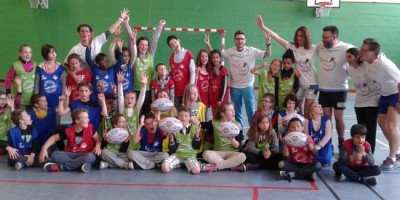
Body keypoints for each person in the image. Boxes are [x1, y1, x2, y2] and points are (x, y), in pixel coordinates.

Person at [204, 31, 271, 127]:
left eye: (242, 39)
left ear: (245, 40)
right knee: (237, 113)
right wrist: (209, 45)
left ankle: (252, 135)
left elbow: (267, 54)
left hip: (248, 87)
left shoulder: (251, 50)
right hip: (234, 87)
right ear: (234, 40)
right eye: (238, 39)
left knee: (250, 113)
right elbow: (216, 56)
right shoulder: (229, 52)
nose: (240, 41)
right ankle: (240, 135)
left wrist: (268, 44)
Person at [256, 15, 317, 113]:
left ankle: (307, 127)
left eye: (301, 35)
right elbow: (276, 37)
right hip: (300, 83)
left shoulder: (313, 48)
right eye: (297, 35)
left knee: (307, 110)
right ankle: (300, 126)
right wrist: (263, 27)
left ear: (306, 36)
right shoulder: (292, 46)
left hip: (312, 83)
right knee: (298, 109)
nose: (299, 38)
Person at [360, 38, 400, 170]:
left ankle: (392, 157)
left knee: (391, 125)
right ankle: (397, 150)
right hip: (384, 94)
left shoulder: (385, 64)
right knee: (382, 123)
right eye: (361, 49)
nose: (362, 52)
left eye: (364, 50)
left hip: (395, 93)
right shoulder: (367, 62)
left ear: (373, 53)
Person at [316, 25, 354, 148]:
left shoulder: (346, 47)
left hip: (340, 90)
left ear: (334, 37)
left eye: (326, 37)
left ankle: (341, 142)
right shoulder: (320, 46)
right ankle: (328, 143)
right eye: (323, 36)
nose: (323, 39)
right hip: (323, 90)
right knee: (326, 119)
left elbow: (361, 57)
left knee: (339, 119)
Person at [39, 108, 102, 173]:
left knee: (91, 157)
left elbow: (97, 139)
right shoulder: (68, 131)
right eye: (85, 118)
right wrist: (44, 149)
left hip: (85, 154)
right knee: (55, 155)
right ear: (77, 121)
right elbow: (54, 138)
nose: (88, 120)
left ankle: (61, 167)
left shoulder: (91, 128)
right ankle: (81, 165)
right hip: (71, 153)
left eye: (87, 117)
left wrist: (97, 146)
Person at [64, 8, 129, 66]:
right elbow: (66, 64)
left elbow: (109, 31)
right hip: (85, 78)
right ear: (79, 34)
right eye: (82, 31)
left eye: (87, 31)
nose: (85, 33)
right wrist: (75, 76)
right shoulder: (75, 49)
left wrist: (120, 19)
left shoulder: (97, 40)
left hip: (98, 74)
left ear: (91, 33)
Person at [195, 102, 247, 173]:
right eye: (230, 110)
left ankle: (215, 167)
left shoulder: (237, 125)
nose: (233, 112)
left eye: (233, 110)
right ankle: (232, 166)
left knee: (242, 156)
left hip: (232, 153)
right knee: (206, 154)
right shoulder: (214, 123)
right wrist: (189, 116)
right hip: (218, 153)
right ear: (222, 113)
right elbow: (200, 124)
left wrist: (232, 140)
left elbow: (238, 146)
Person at [346, 47, 379, 154]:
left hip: (372, 101)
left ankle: (370, 153)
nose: (348, 59)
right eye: (346, 57)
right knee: (361, 131)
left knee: (370, 131)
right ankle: (360, 153)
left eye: (350, 57)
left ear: (357, 57)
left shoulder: (366, 66)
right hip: (359, 103)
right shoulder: (350, 69)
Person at [133, 20, 166, 116]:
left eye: (146, 45)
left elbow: (155, 40)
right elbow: (132, 46)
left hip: (148, 90)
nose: (144, 47)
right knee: (137, 113)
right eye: (142, 45)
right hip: (136, 89)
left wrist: (159, 26)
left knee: (147, 113)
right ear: (138, 45)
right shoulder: (134, 56)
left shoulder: (150, 54)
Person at [161, 107, 202, 174]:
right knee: (164, 168)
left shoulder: (194, 128)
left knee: (196, 171)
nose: (183, 118)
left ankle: (187, 164)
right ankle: (179, 164)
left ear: (189, 117)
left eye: (186, 116)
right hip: (177, 155)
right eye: (181, 116)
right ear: (178, 117)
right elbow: (173, 150)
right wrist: (171, 139)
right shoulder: (174, 129)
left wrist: (197, 135)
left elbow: (197, 147)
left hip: (190, 155)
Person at [278, 117, 321, 182]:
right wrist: (285, 144)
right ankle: (308, 174)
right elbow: (285, 158)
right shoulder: (287, 139)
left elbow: (316, 154)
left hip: (307, 164)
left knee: (318, 165)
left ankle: (293, 175)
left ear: (302, 128)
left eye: (298, 126)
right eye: (292, 127)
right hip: (293, 164)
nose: (295, 128)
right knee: (281, 164)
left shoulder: (307, 138)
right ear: (289, 129)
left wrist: (310, 145)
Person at [167, 35, 196, 109]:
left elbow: (193, 71)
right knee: (178, 113)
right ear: (170, 47)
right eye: (171, 44)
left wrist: (191, 87)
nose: (174, 45)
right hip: (176, 91)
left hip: (187, 91)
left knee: (189, 111)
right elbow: (172, 73)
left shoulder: (188, 53)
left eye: (175, 42)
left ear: (178, 41)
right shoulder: (171, 57)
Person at [4, 44, 36, 111]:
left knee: (29, 120)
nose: (28, 54)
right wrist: (8, 92)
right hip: (20, 101)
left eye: (30, 52)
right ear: (20, 54)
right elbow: (8, 79)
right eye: (25, 52)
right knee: (21, 119)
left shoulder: (35, 64)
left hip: (32, 100)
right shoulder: (16, 65)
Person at [34, 44, 65, 109]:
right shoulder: (40, 68)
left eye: (54, 52)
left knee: (56, 119)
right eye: (51, 52)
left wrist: (63, 95)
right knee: (44, 118)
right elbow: (36, 85)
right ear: (45, 54)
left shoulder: (60, 67)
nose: (54, 54)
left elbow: (63, 83)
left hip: (57, 101)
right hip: (43, 102)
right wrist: (36, 98)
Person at [208, 49, 229, 117]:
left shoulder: (223, 70)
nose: (215, 59)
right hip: (213, 98)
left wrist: (220, 99)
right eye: (213, 57)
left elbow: (224, 86)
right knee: (215, 117)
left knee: (222, 117)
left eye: (217, 57)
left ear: (220, 58)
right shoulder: (210, 69)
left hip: (221, 99)